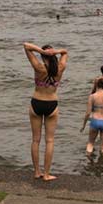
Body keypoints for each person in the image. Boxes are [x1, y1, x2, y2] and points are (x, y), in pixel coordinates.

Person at [24, 41, 66, 180]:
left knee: (35, 140)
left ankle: (37, 172)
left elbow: (26, 46)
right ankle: (46, 174)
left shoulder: (39, 67)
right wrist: (56, 52)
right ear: (53, 56)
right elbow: (65, 52)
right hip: (51, 104)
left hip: (37, 102)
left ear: (43, 56)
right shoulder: (60, 68)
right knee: (50, 141)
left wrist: (42, 52)